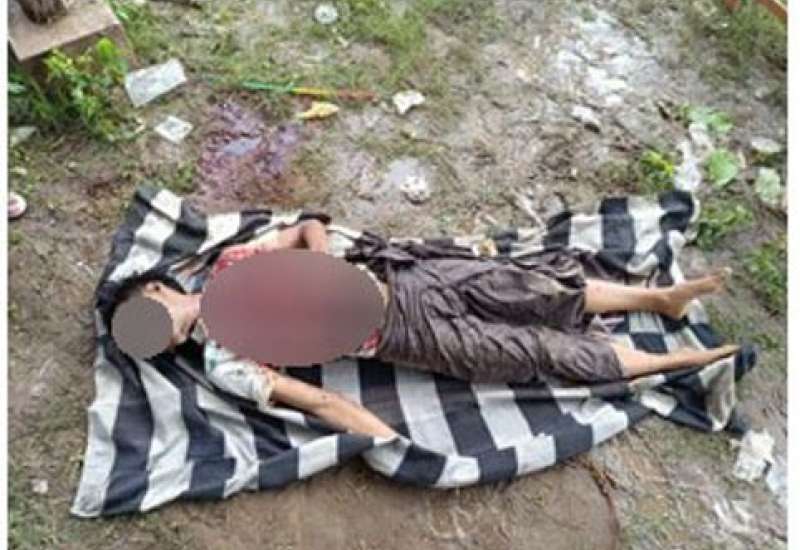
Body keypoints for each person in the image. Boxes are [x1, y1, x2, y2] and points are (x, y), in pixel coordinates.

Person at [106, 218, 738, 438]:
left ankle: (660, 300)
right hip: (409, 338)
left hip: (409, 279)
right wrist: (391, 441)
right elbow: (316, 400)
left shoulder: (230, 263)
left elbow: (307, 227)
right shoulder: (224, 362)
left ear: (159, 289)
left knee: (537, 289)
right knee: (537, 352)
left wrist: (322, 262)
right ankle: (674, 364)